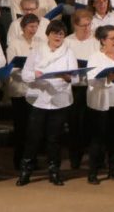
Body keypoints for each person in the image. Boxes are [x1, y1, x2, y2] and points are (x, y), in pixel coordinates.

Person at [17, 20, 79, 187]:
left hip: (60, 100)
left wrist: (68, 77)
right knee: (33, 137)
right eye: (55, 33)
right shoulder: (36, 51)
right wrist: (37, 75)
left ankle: (54, 171)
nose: (58, 36)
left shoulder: (69, 53)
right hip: (39, 100)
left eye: (61, 34)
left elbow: (76, 77)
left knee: (54, 138)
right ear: (48, 35)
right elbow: (25, 74)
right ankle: (26, 171)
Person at [85, 25, 114, 184]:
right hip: (101, 104)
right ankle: (93, 173)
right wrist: (108, 79)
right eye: (112, 38)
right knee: (97, 139)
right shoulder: (95, 57)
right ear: (103, 40)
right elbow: (91, 80)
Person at [5, 13, 44, 170]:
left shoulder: (41, 42)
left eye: (36, 26)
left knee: (34, 128)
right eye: (31, 26)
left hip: (36, 90)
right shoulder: (14, 43)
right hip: (20, 90)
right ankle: (19, 160)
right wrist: (28, 72)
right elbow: (11, 67)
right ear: (23, 27)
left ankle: (32, 160)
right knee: (21, 127)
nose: (34, 30)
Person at [64, 9, 101, 170]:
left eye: (89, 25)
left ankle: (95, 159)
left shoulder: (95, 42)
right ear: (75, 25)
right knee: (74, 125)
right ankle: (75, 158)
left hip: (91, 87)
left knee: (92, 124)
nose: (87, 28)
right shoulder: (67, 42)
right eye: (83, 25)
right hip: (74, 88)